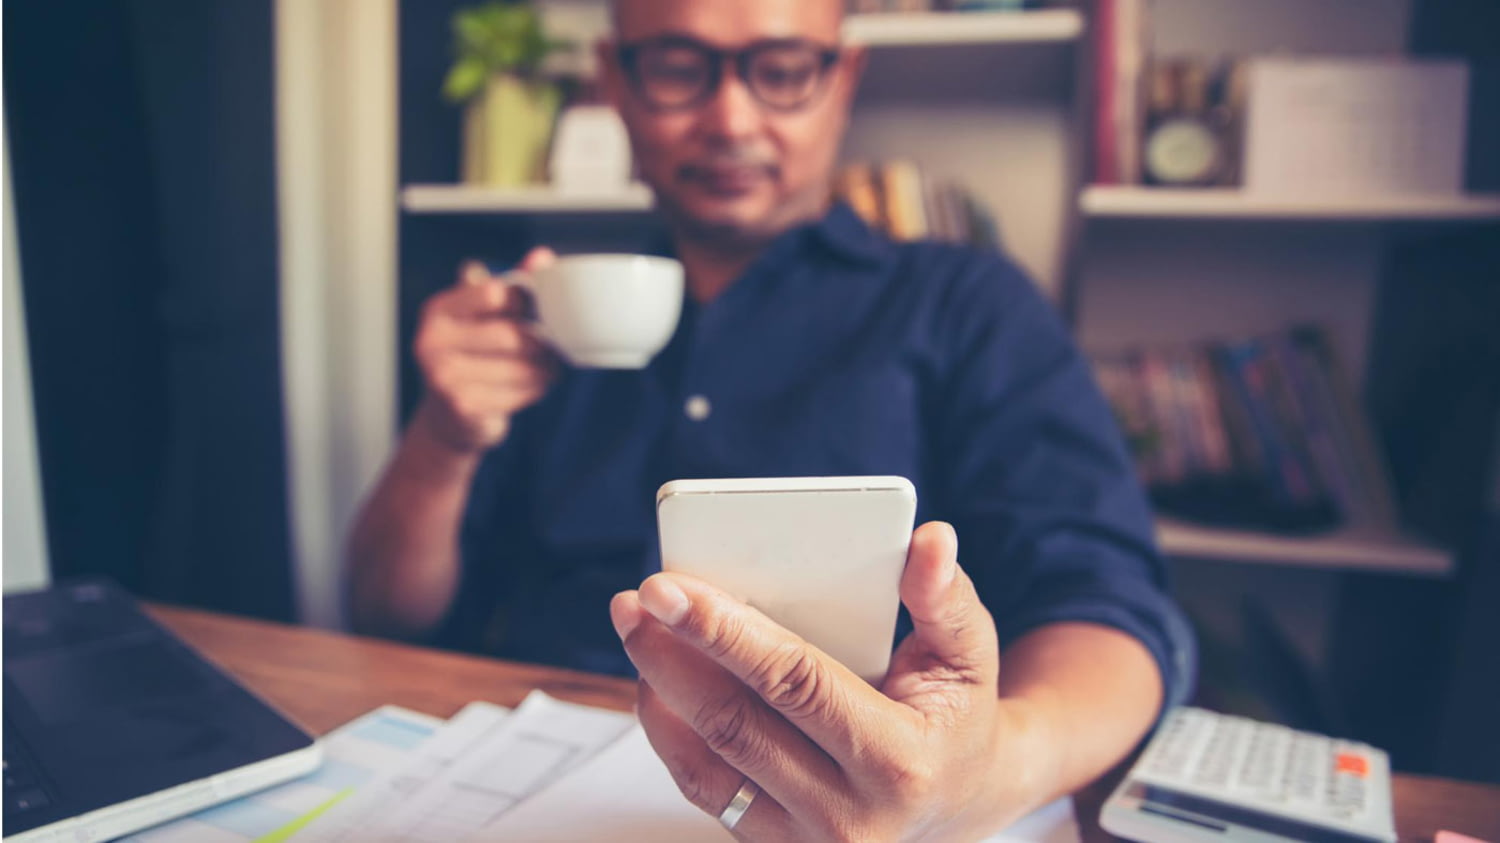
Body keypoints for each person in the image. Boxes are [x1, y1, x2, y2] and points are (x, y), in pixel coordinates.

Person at [348, 0, 1196, 837]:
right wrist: (443, 440)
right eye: (680, 67)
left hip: (849, 798)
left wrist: (987, 771)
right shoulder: (542, 318)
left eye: (782, 71)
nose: (730, 117)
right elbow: (388, 616)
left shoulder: (970, 304)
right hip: (524, 782)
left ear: (844, 78)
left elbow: (1111, 606)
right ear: (614, 81)